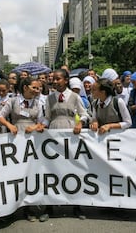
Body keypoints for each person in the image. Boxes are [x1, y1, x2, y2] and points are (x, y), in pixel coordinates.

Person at [41, 69, 89, 221]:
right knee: (53, 170)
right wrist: (42, 126)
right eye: (53, 79)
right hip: (54, 135)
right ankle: (50, 207)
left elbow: (85, 114)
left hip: (71, 135)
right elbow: (47, 118)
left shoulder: (75, 97)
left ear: (66, 80)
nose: (55, 82)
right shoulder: (49, 98)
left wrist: (80, 123)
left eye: (58, 79)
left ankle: (77, 206)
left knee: (73, 170)